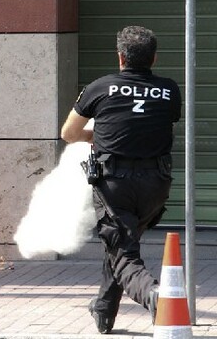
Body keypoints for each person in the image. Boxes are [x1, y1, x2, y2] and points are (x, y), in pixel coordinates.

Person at [60, 26, 182, 334]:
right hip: (156, 183)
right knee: (121, 242)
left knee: (124, 251)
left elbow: (69, 134)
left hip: (115, 184)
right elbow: (150, 125)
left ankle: (155, 296)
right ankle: (104, 311)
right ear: (153, 58)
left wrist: (97, 136)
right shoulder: (169, 90)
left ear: (120, 58)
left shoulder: (100, 87)